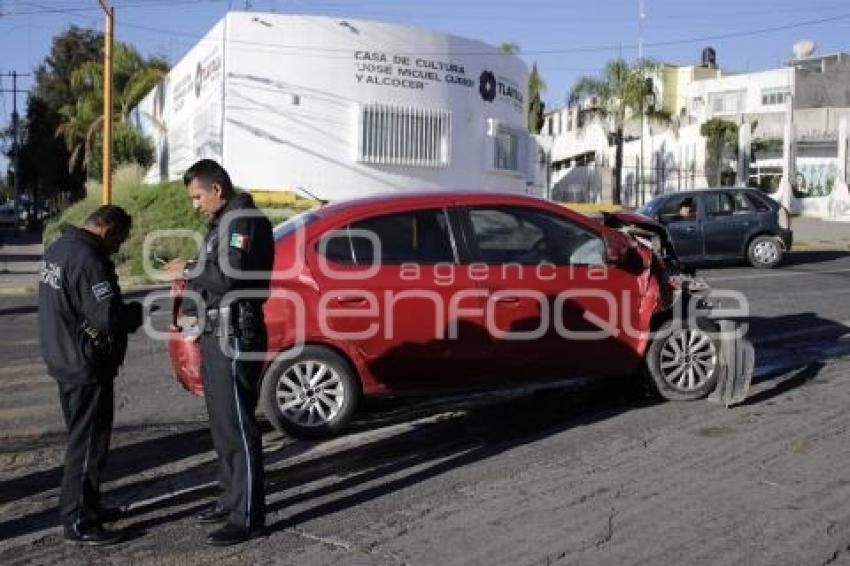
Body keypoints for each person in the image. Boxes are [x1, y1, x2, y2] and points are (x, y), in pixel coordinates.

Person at [164, 159, 274, 546]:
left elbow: (230, 275)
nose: (194, 205)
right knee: (222, 424)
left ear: (217, 189)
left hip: (236, 331)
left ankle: (247, 516)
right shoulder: (221, 223)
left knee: (239, 425)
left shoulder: (243, 219)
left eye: (197, 196)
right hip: (217, 330)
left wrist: (189, 267)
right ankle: (230, 499)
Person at [38, 205, 143, 546]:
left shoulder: (59, 248)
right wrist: (134, 314)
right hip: (85, 365)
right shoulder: (89, 259)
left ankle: (90, 506)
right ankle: (79, 520)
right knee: (87, 445)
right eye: (120, 239)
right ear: (108, 229)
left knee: (83, 440)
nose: (119, 247)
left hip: (64, 356)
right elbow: (107, 318)